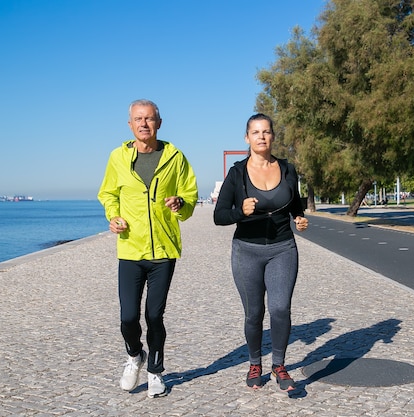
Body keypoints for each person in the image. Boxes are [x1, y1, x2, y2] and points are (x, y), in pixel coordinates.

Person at [98, 99, 198, 397]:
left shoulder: (175, 157)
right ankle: (134, 356)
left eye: (150, 119)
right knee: (128, 316)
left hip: (164, 250)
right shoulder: (118, 157)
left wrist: (180, 204)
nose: (144, 124)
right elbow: (108, 194)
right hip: (130, 250)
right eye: (138, 119)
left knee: (154, 315)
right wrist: (113, 216)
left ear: (159, 122)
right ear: (130, 124)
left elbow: (189, 196)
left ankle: (155, 371)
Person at [213, 113, 308, 391]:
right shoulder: (237, 173)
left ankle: (279, 365)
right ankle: (256, 363)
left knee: (280, 308)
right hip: (247, 251)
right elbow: (219, 216)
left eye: (266, 132)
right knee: (254, 313)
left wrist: (299, 219)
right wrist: (240, 212)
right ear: (247, 138)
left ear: (273, 137)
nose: (261, 137)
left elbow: (294, 205)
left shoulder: (288, 169)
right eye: (256, 132)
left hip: (283, 248)